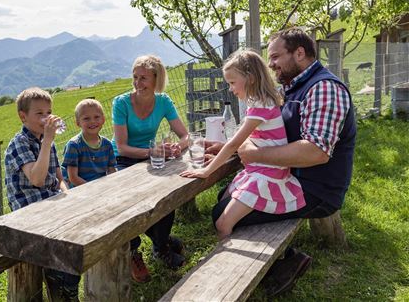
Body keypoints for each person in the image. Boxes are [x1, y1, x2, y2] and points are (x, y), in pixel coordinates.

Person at [207, 28, 356, 296]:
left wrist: (253, 155)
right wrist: (233, 149)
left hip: (316, 189)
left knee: (223, 215)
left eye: (275, 56)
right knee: (224, 197)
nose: (270, 63)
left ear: (299, 53)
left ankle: (285, 262)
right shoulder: (293, 87)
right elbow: (266, 134)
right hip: (289, 177)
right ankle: (280, 258)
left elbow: (315, 152)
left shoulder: (324, 89)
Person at [180, 49, 306, 239]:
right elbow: (251, 139)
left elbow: (233, 144)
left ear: (251, 78)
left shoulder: (260, 105)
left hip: (267, 176)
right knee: (223, 199)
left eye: (232, 82)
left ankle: (224, 261)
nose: (230, 88)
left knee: (223, 223)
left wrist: (206, 172)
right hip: (260, 170)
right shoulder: (260, 101)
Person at [112, 55, 189, 283]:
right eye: (135, 77)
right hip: (126, 162)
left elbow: (185, 135)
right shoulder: (121, 103)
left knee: (169, 194)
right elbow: (122, 147)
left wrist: (177, 146)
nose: (137, 83)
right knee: (130, 204)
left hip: (153, 159)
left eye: (143, 78)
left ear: (157, 79)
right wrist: (152, 151)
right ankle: (137, 250)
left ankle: (159, 246)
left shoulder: (163, 101)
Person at [4, 87, 80, 301]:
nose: (47, 118)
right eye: (39, 114)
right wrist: (47, 140)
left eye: (49, 112)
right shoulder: (19, 144)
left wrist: (68, 198)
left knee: (83, 230)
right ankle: (61, 287)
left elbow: (60, 179)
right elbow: (36, 179)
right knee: (66, 244)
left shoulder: (47, 142)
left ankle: (67, 287)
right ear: (23, 116)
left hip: (51, 206)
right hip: (29, 214)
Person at [63, 99, 117, 186]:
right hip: (81, 190)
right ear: (77, 123)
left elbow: (111, 170)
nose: (92, 121)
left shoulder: (107, 144)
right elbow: (73, 178)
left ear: (103, 119)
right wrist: (93, 189)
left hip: (102, 186)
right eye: (86, 118)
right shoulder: (74, 145)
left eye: (96, 117)